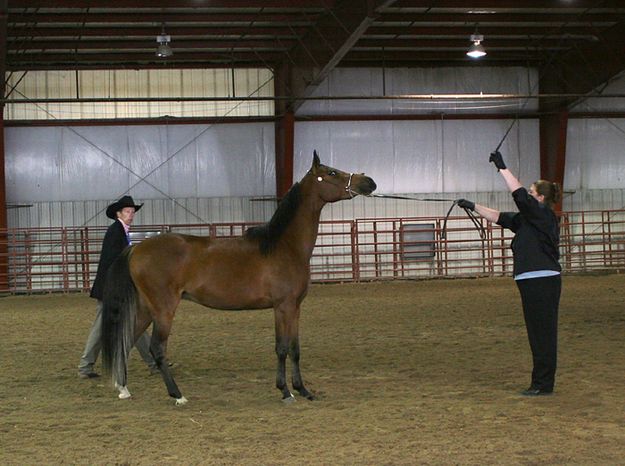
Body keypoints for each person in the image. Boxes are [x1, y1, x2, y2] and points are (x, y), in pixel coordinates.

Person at [457, 150, 562, 396]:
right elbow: (499, 217)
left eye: (533, 192)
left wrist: (502, 168)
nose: (529, 194)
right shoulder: (529, 219)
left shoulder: (543, 215)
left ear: (540, 198)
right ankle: (541, 382)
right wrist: (473, 206)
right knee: (537, 332)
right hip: (531, 281)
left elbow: (519, 196)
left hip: (542, 280)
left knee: (542, 333)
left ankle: (543, 384)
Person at [77, 195, 158, 379]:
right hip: (112, 290)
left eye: (132, 212)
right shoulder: (116, 231)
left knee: (134, 324)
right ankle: (85, 366)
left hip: (115, 289)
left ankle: (154, 362)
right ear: (118, 214)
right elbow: (114, 260)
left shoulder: (120, 231)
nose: (131, 215)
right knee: (102, 328)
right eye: (127, 212)